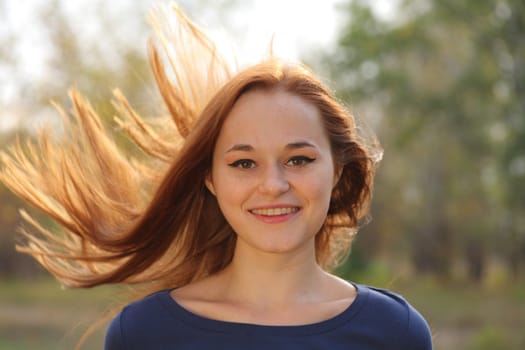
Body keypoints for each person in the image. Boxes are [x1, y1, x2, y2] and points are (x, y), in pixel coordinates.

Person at [0, 4, 432, 350]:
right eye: (244, 163)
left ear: (337, 170)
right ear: (210, 179)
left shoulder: (395, 332)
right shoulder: (145, 334)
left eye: (298, 159)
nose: (274, 184)